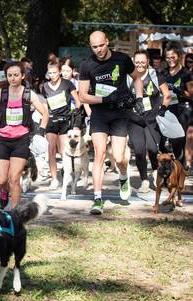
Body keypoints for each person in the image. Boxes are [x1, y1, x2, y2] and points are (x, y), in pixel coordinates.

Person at [78, 31, 143, 215]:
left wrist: (138, 99)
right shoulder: (87, 65)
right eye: (94, 47)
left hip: (120, 114)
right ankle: (97, 199)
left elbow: (137, 78)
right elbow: (83, 95)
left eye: (101, 45)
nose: (98, 50)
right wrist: (106, 99)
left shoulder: (122, 59)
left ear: (107, 42)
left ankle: (123, 176)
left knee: (119, 156)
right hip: (100, 114)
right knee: (99, 154)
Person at [0, 62, 49, 209]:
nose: (12, 78)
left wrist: (40, 132)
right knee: (1, 180)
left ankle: (14, 210)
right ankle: (4, 192)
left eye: (16, 75)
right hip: (2, 140)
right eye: (9, 75)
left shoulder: (28, 94)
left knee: (14, 179)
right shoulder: (1, 93)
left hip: (21, 140)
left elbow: (45, 113)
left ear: (22, 76)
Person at [127, 50, 171, 192]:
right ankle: (144, 180)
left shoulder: (155, 76)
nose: (140, 64)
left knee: (152, 149)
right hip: (134, 119)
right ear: (134, 62)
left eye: (142, 62)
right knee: (139, 151)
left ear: (147, 62)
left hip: (152, 119)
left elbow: (167, 95)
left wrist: (162, 109)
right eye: (137, 62)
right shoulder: (128, 77)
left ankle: (156, 172)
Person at [43, 60, 81, 190]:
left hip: (65, 120)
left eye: (54, 72)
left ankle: (67, 174)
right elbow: (45, 106)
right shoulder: (45, 86)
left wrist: (74, 113)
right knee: (51, 150)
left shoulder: (67, 84)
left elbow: (78, 101)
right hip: (51, 121)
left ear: (59, 72)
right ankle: (54, 179)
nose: (52, 75)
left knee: (64, 150)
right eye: (50, 73)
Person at [162, 41, 192, 166]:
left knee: (180, 139)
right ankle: (175, 165)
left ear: (179, 56)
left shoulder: (186, 74)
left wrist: (180, 91)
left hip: (183, 109)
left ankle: (181, 166)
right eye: (167, 58)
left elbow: (191, 95)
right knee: (171, 140)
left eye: (172, 57)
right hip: (167, 108)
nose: (170, 60)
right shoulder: (163, 73)